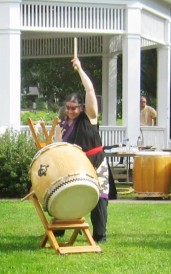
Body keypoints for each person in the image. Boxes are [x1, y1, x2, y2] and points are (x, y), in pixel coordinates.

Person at [55, 57, 116, 243]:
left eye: (74, 108)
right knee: (65, 195)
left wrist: (80, 69)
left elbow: (89, 90)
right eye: (67, 108)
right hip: (75, 166)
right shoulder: (62, 125)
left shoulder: (89, 117)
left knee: (100, 197)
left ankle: (100, 235)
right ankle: (59, 231)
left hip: (96, 162)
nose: (70, 111)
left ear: (81, 108)